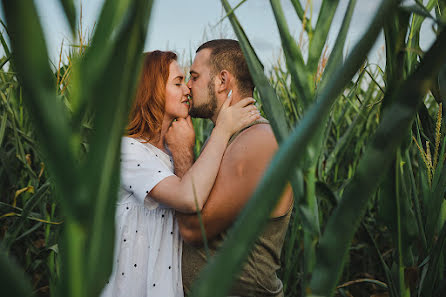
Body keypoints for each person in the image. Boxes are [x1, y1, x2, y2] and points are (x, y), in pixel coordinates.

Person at [100, 50, 260, 297]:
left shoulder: (170, 151)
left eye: (188, 80)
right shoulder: (127, 150)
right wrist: (224, 129)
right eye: (177, 82)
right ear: (150, 89)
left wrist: (184, 150)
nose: (187, 89)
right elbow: (188, 198)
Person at [171, 39, 294, 297]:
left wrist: (183, 153)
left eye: (194, 76)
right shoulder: (227, 137)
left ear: (223, 80)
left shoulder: (259, 142)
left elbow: (193, 229)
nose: (188, 86)